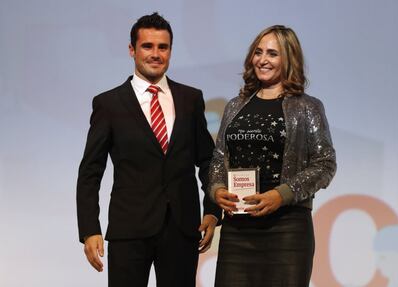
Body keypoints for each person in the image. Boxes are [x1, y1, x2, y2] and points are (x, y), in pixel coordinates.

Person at [76, 12, 221, 287]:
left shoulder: (191, 99)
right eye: (147, 46)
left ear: (170, 51)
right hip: (128, 228)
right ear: (132, 50)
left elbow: (207, 160)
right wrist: (89, 229)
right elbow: (90, 171)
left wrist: (212, 210)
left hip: (182, 228)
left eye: (163, 47)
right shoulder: (108, 104)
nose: (156, 54)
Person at [209, 25, 336, 286]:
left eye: (272, 54)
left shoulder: (308, 106)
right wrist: (217, 188)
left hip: (287, 230)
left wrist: (282, 195)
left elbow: (325, 164)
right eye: (258, 52)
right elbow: (219, 157)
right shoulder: (235, 105)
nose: (263, 60)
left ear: (289, 59)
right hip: (237, 229)